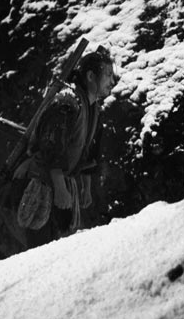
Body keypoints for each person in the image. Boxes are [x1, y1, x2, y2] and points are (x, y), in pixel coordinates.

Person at [14, 48, 115, 248]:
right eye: (109, 75)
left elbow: (89, 149)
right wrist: (60, 188)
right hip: (43, 183)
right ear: (91, 76)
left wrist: (86, 186)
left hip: (64, 185)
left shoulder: (93, 107)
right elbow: (51, 147)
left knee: (59, 252)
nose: (113, 81)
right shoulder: (68, 102)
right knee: (40, 252)